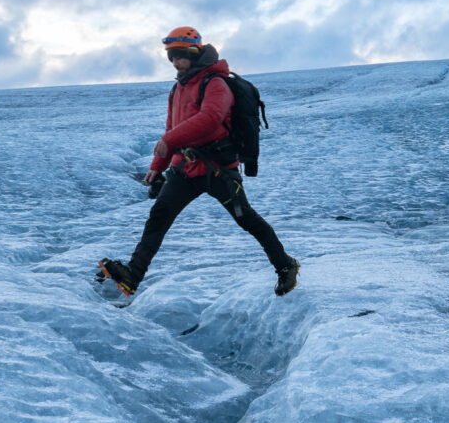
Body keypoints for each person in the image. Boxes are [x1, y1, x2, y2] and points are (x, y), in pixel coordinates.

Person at [99, 27, 299, 297]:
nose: (175, 62)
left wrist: (170, 140)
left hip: (218, 170)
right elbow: (172, 127)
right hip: (185, 170)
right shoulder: (177, 89)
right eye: (171, 56)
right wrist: (157, 166)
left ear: (194, 53)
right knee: (158, 217)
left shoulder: (215, 83)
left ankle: (286, 266)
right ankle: (133, 275)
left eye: (180, 55)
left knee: (247, 219)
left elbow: (210, 118)